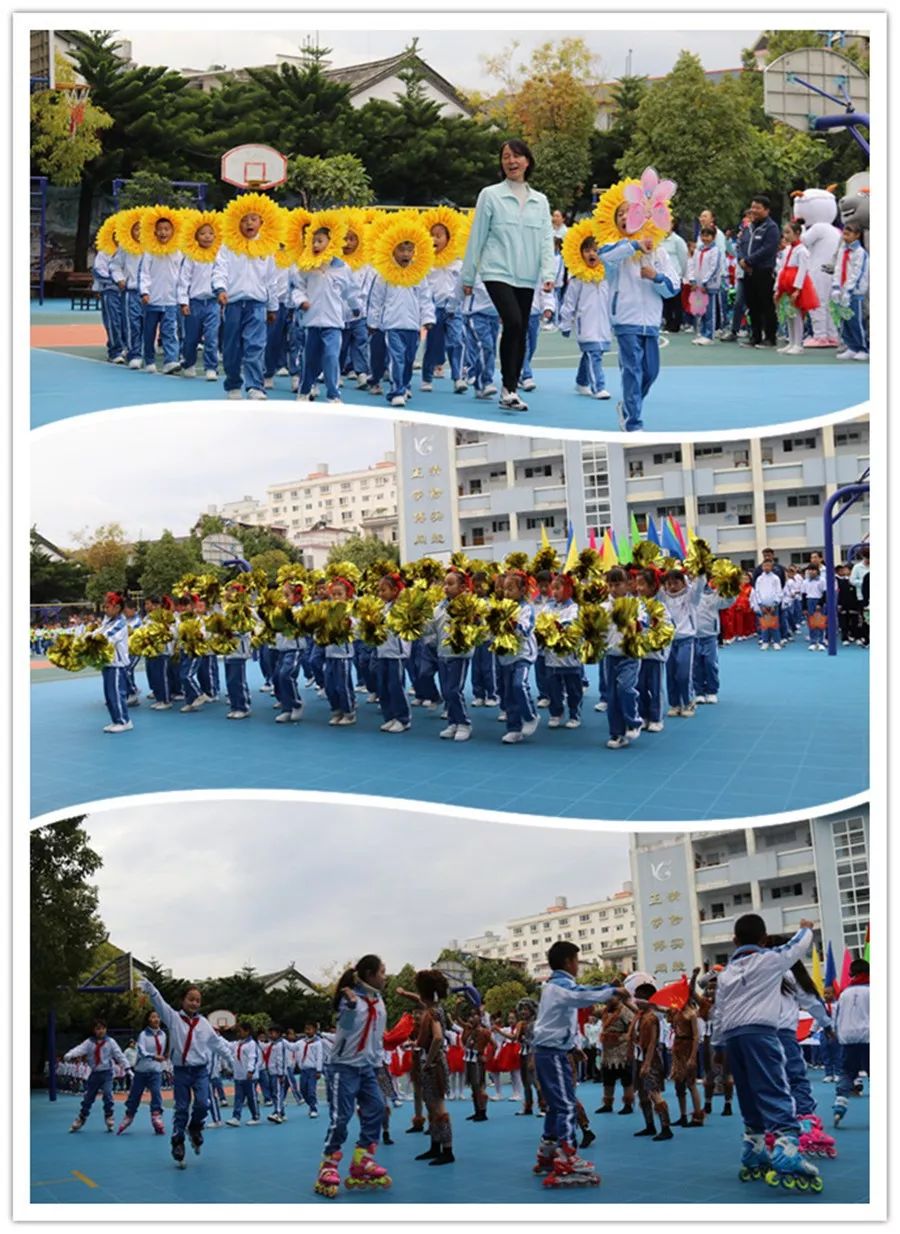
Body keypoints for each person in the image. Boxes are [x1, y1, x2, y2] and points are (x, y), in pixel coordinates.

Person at [709, 914, 822, 1191]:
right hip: (761, 1035)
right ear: (763, 939)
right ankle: (787, 1151)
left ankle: (754, 1149)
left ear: (734, 941)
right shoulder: (771, 959)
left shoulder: (725, 975)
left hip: (733, 1039)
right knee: (774, 1089)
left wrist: (718, 1046)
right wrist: (806, 929)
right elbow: (796, 946)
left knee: (747, 1092)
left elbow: (719, 1012)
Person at [461, 139, 555, 411]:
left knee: (521, 329)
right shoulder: (490, 195)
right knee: (513, 322)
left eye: (517, 156)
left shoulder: (541, 201)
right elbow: (477, 236)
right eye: (506, 157)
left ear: (527, 161)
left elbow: (546, 240)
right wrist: (468, 277)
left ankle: (509, 390)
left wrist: (548, 273)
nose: (511, 161)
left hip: (526, 275)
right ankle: (508, 384)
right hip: (496, 270)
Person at [532, 940, 622, 1187]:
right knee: (566, 1105)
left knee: (554, 1105)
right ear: (568, 962)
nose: (578, 967)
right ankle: (567, 1158)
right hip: (552, 1054)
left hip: (548, 1051)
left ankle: (548, 1152)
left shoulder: (552, 987)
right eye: (576, 961)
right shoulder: (562, 986)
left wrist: (574, 1048)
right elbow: (580, 995)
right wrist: (612, 991)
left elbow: (558, 1020)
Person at [313, 955, 393, 1198]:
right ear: (369, 975)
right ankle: (328, 1165)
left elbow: (377, 1036)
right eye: (381, 972)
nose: (384, 976)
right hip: (343, 1068)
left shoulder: (378, 1002)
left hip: (367, 1068)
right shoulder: (351, 1000)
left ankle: (362, 1159)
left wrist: (379, 1063)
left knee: (378, 1108)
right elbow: (344, 1030)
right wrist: (348, 1005)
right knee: (341, 1118)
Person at [138, 975, 234, 1167]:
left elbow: (216, 1044)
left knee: (203, 1103)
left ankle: (195, 1127)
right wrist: (152, 990)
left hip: (200, 1071)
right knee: (181, 1107)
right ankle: (178, 1141)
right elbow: (160, 1004)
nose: (194, 1003)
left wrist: (231, 1060)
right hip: (181, 1071)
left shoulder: (204, 1024)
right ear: (183, 1000)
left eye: (198, 1000)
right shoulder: (173, 1018)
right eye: (190, 999)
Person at [598, 213, 678, 432]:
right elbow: (604, 256)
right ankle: (633, 423)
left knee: (650, 372)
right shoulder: (615, 248)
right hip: (625, 318)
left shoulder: (659, 251)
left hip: (651, 320)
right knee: (632, 369)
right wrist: (634, 245)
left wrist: (656, 277)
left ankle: (627, 407)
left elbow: (673, 288)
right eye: (620, 214)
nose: (626, 217)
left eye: (630, 212)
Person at [211, 203, 279, 401]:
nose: (249, 223)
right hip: (233, 304)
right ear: (237, 222)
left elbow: (271, 279)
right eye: (244, 219)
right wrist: (221, 289)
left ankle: (255, 386)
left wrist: (272, 306)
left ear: (261, 222)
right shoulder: (228, 246)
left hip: (257, 305)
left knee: (255, 346)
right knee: (232, 347)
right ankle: (233, 383)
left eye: (253, 219)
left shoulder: (266, 247)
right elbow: (220, 269)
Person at [294, 225, 362, 403]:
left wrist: (356, 307)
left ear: (332, 243)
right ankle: (305, 389)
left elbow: (351, 291)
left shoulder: (342, 268)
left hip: (333, 322)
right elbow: (297, 287)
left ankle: (333, 394)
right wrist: (301, 301)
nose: (316, 245)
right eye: (313, 241)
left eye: (320, 241)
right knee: (310, 359)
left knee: (332, 357)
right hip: (312, 321)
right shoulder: (306, 266)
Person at [367, 238, 435, 407]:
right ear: (392, 250)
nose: (406, 254)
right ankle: (396, 390)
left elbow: (425, 299)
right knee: (396, 358)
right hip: (392, 325)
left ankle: (404, 385)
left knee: (409, 359)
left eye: (409, 250)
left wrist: (427, 318)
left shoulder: (419, 275)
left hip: (413, 326)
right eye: (401, 250)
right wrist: (373, 322)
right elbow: (376, 300)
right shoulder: (384, 275)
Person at [559, 236, 612, 399]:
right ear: (581, 254)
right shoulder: (578, 279)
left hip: (603, 324)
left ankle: (582, 382)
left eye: (596, 250)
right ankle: (598, 387)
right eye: (587, 250)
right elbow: (569, 303)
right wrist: (566, 324)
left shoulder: (607, 276)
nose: (592, 254)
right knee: (593, 353)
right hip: (586, 324)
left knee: (594, 353)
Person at [411, 970, 454, 1166]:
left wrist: (428, 1061)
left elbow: (437, 1037)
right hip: (432, 1062)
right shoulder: (433, 1009)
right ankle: (435, 1145)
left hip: (434, 1064)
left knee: (437, 1106)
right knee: (431, 1105)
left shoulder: (433, 1012)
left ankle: (447, 1149)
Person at [421, 221, 466, 394]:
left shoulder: (456, 262)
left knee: (457, 341)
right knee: (433, 344)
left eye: (439, 235)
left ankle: (458, 377)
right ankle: (427, 377)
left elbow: (461, 284)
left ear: (448, 238)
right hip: (434, 308)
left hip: (453, 309)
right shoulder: (426, 263)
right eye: (432, 235)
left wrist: (456, 303)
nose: (435, 239)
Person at [603, 567, 645, 748]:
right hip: (610, 657)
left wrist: (634, 622)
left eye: (617, 584)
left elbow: (645, 623)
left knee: (625, 689)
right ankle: (617, 734)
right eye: (610, 585)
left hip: (630, 655)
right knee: (611, 697)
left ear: (628, 585)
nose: (613, 589)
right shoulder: (603, 607)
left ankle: (634, 721)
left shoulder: (637, 604)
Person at [65, 1020, 131, 1133]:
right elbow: (79, 1049)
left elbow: (119, 1055)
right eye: (98, 1028)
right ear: (94, 1030)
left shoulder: (110, 1042)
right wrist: (70, 1054)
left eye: (102, 1028)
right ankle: (81, 1117)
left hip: (107, 1073)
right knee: (88, 1098)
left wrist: (127, 1068)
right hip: (95, 1073)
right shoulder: (89, 1043)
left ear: (106, 1029)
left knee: (107, 1093)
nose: (100, 1031)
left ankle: (109, 1115)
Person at [497, 570, 539, 745]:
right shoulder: (501, 607)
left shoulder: (526, 608)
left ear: (522, 590)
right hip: (506, 656)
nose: (506, 593)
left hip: (523, 654)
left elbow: (525, 629)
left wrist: (510, 623)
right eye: (504, 589)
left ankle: (530, 716)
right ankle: (514, 728)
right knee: (508, 693)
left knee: (519, 684)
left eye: (511, 589)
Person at [177, 215, 221, 380]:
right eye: (203, 233)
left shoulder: (219, 256)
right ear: (196, 236)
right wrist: (183, 301)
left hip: (212, 303)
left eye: (211, 233)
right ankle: (189, 363)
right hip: (194, 303)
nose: (207, 236)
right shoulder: (191, 256)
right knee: (191, 337)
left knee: (211, 336)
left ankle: (211, 367)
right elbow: (184, 280)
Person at [661, 570, 704, 717]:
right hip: (668, 641)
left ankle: (687, 702)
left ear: (684, 582)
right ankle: (674, 704)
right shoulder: (663, 597)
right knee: (670, 673)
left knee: (684, 674)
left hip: (686, 640)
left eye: (676, 583)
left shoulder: (690, 596)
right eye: (669, 583)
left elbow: (699, 587)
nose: (672, 586)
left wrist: (701, 572)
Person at [739, 195, 780, 349]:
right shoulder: (748, 227)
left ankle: (770, 337)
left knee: (766, 305)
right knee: (752, 304)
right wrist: (742, 260)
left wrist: (749, 261)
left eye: (758, 208)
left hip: (763, 270)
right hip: (747, 271)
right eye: (752, 207)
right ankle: (755, 336)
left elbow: (768, 249)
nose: (754, 210)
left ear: (767, 210)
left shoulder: (771, 228)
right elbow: (741, 245)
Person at [543, 572, 584, 728]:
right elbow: (542, 623)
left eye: (558, 588)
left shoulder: (574, 608)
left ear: (568, 589)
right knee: (553, 687)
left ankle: (574, 714)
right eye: (552, 589)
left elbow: (569, 624)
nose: (554, 592)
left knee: (573, 688)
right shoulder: (548, 607)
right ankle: (556, 713)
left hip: (570, 658)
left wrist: (555, 626)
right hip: (552, 657)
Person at [117, 1011, 167, 1135]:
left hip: (155, 1071)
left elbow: (164, 1051)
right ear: (148, 1019)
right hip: (141, 1071)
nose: (156, 1019)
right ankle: (129, 1115)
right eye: (153, 1017)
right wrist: (154, 1057)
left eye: (158, 1017)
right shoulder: (143, 1035)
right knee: (135, 1095)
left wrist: (161, 1062)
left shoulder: (163, 1035)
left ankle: (156, 1116)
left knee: (156, 1093)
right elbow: (142, 1051)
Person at [833, 958, 869, 1128]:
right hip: (869, 1036)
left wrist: (836, 1034)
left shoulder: (844, 993)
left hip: (848, 1038)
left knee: (847, 1072)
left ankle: (840, 1104)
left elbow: (837, 1017)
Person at [774, 219, 819, 356]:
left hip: (795, 285)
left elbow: (802, 270)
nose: (785, 236)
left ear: (798, 233)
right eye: (785, 233)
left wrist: (797, 289)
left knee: (797, 314)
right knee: (789, 314)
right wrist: (778, 287)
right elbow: (782, 268)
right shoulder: (787, 250)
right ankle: (791, 342)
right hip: (785, 284)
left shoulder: (802, 251)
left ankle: (798, 344)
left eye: (788, 232)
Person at [831, 221, 869, 361]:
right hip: (841, 290)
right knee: (844, 320)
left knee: (855, 321)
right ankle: (851, 346)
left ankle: (862, 348)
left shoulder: (860, 253)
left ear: (857, 235)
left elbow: (857, 273)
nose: (845, 237)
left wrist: (849, 290)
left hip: (855, 292)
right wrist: (836, 287)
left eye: (848, 234)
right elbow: (838, 269)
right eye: (844, 234)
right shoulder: (843, 250)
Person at [98, 591, 133, 733]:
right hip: (108, 663)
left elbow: (106, 637)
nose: (105, 609)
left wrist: (90, 640)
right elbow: (98, 632)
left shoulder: (120, 623)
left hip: (117, 665)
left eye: (108, 607)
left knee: (117, 693)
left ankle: (124, 721)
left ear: (117, 608)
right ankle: (116, 720)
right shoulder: (108, 621)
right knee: (109, 694)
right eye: (105, 607)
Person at [595, 991, 635, 1115]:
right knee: (607, 1078)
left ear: (618, 998)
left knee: (626, 1078)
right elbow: (592, 1010)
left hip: (621, 1049)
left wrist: (627, 1041)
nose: (608, 1000)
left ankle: (628, 1104)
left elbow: (632, 1028)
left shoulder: (625, 1011)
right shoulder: (605, 1011)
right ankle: (608, 1104)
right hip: (607, 1051)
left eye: (610, 997)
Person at [691, 225, 723, 344]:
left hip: (709, 286)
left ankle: (709, 335)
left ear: (713, 237)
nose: (705, 238)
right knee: (701, 309)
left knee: (710, 311)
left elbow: (713, 268)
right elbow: (693, 265)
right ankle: (702, 333)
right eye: (703, 235)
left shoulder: (715, 251)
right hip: (699, 285)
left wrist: (705, 282)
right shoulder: (698, 250)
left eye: (708, 236)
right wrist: (693, 280)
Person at [225, 1021, 261, 1126]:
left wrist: (250, 1070)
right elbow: (227, 1044)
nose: (238, 1033)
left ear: (247, 1031)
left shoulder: (251, 1044)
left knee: (251, 1097)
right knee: (238, 1098)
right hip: (239, 1075)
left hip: (249, 1076)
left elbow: (252, 1058)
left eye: (240, 1031)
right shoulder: (237, 1043)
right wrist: (218, 1036)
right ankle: (236, 1117)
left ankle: (256, 1116)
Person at [298, 1023, 325, 1118]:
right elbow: (292, 1047)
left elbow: (319, 1056)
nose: (307, 1031)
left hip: (313, 1070)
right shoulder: (301, 1042)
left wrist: (319, 1070)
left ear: (314, 1030)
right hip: (303, 1070)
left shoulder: (318, 1043)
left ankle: (313, 1108)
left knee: (311, 1090)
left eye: (310, 1029)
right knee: (302, 1089)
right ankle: (311, 1103)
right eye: (306, 1029)